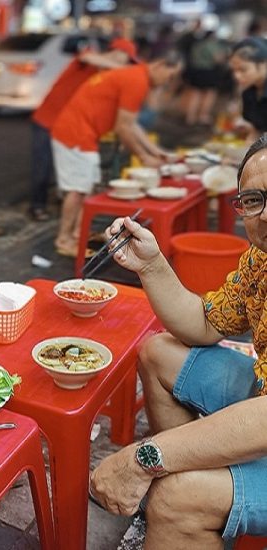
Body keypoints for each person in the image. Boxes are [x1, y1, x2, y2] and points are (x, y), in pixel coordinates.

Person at [90, 135, 267, 548]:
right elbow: (204, 323)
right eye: (254, 200)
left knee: (176, 498)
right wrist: (151, 265)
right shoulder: (260, 259)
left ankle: (180, 508)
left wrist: (144, 459)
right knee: (158, 353)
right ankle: (187, 514)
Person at [50, 50, 182, 257]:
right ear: (160, 64)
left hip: (82, 132)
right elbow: (123, 127)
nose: (168, 82)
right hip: (75, 133)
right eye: (170, 75)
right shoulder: (137, 80)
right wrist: (144, 157)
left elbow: (131, 125)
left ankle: (77, 233)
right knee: (76, 190)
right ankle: (64, 239)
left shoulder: (135, 75)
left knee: (85, 188)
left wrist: (156, 151)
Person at [29, 38, 139, 222]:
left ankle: (63, 203)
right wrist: (127, 71)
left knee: (66, 169)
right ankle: (37, 206)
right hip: (47, 120)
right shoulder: (90, 59)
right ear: (118, 52)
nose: (127, 64)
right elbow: (87, 56)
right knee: (43, 167)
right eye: (127, 59)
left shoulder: (107, 74)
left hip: (69, 126)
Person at [228, 37, 267, 144]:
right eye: (234, 70)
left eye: (243, 70)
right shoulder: (249, 92)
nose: (236, 76)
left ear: (264, 65)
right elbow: (256, 129)